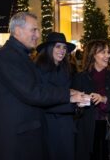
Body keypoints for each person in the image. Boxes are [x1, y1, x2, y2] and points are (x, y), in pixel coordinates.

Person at [0, 12, 85, 160]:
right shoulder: (7, 56)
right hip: (15, 141)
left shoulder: (20, 56)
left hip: (25, 137)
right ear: (18, 31)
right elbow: (32, 92)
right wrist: (68, 95)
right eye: (34, 30)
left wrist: (69, 92)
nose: (38, 35)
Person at [72, 40, 110, 160]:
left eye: (108, 52)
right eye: (103, 52)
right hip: (87, 128)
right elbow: (74, 110)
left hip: (108, 125)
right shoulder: (80, 78)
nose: (107, 55)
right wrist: (79, 103)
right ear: (93, 55)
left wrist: (104, 99)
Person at [34, 32, 82, 160]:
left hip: (66, 126)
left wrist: (79, 100)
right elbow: (42, 101)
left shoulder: (65, 69)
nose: (62, 51)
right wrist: (71, 100)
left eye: (64, 48)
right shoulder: (38, 70)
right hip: (48, 127)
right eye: (58, 46)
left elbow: (64, 92)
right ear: (49, 48)